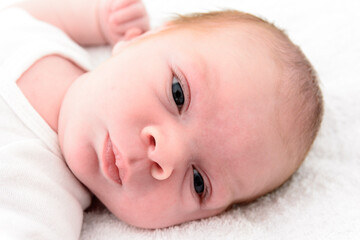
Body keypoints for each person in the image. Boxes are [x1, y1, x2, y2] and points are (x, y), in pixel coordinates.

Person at [0, 0, 323, 237]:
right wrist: (96, 18)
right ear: (140, 40)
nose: (164, 154)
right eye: (178, 93)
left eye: (199, 183)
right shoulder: (46, 38)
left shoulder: (42, 205)